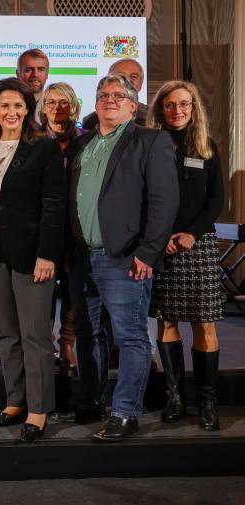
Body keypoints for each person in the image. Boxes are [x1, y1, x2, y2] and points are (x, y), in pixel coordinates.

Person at [68, 74, 179, 441]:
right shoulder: (84, 144)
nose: (109, 100)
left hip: (126, 258)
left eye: (118, 95)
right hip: (82, 257)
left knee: (130, 338)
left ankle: (125, 413)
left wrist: (148, 252)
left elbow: (164, 201)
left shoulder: (150, 140)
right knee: (88, 334)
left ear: (133, 105)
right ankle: (92, 402)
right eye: (103, 95)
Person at [0, 78, 65, 443]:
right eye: (5, 106)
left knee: (35, 335)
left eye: (18, 106)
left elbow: (54, 204)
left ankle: (38, 410)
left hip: (33, 256)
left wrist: (48, 254)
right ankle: (14, 402)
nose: (12, 112)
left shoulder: (44, 147)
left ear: (28, 109)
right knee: (7, 334)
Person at [146, 80, 224, 431]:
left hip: (198, 244)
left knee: (204, 323)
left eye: (184, 104)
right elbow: (144, 197)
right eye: (170, 105)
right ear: (160, 109)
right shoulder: (149, 145)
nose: (177, 110)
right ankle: (175, 398)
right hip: (161, 244)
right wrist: (159, 236)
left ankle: (208, 402)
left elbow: (216, 200)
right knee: (167, 321)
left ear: (193, 108)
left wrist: (192, 233)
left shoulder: (206, 146)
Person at [39, 82, 88, 375]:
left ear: (74, 106)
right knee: (42, 290)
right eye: (51, 102)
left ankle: (68, 345)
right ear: (43, 107)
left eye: (64, 102)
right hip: (42, 227)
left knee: (73, 291)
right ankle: (46, 343)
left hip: (76, 228)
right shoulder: (32, 139)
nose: (57, 108)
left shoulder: (88, 139)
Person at [82, 58, 148, 129]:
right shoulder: (91, 121)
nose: (127, 80)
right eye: (121, 76)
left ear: (141, 83)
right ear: (109, 80)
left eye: (133, 77)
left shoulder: (153, 115)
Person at [16, 48, 50, 118]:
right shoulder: (5, 108)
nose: (35, 74)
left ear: (47, 74)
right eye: (29, 70)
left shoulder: (56, 110)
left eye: (40, 69)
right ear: (18, 74)